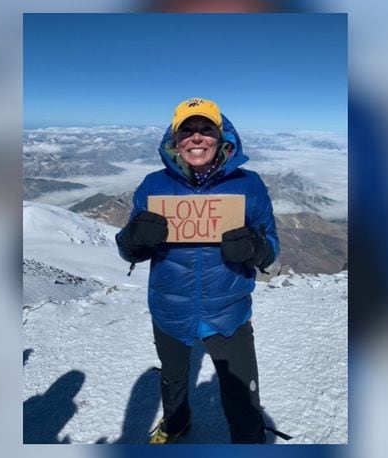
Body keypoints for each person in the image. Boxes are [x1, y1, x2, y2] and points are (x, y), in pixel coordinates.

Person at [116, 97, 280, 444]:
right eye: (187, 130)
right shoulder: (152, 186)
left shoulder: (249, 185)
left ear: (222, 138)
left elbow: (272, 248)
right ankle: (176, 424)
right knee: (174, 378)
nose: (196, 137)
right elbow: (129, 249)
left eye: (206, 129)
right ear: (174, 140)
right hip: (169, 309)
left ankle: (250, 441)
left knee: (243, 396)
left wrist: (256, 247)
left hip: (229, 311)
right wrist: (134, 238)